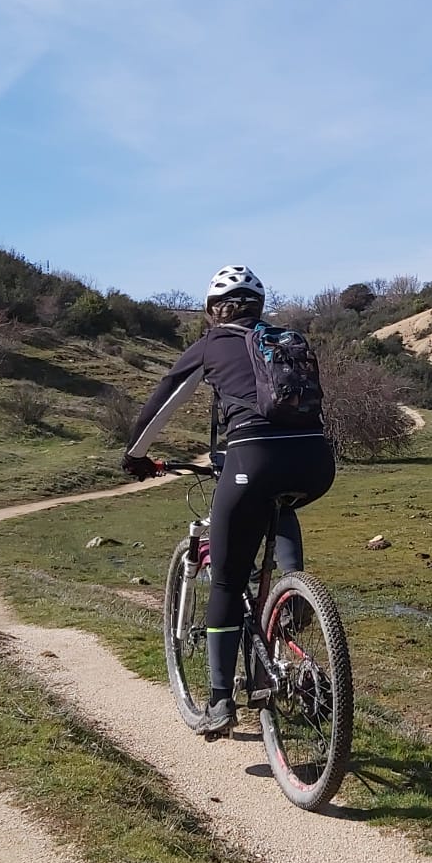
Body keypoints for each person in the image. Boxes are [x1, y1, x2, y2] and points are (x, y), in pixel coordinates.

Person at [120, 265, 334, 735]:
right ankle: (293, 591)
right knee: (282, 501)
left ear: (214, 311)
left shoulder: (212, 344)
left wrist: (135, 455)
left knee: (226, 580)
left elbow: (163, 401)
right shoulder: (285, 341)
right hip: (316, 460)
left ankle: (219, 701)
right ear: (258, 308)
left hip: (251, 459)